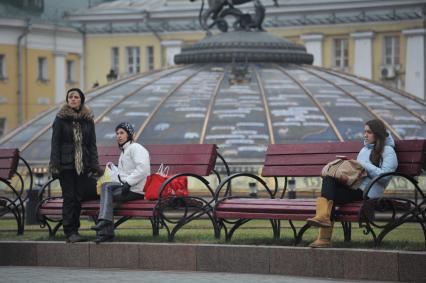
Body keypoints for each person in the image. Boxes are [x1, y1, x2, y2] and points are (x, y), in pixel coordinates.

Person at [306, 119, 398, 248]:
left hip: (368, 192)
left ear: (377, 134)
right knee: (329, 179)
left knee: (329, 195)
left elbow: (385, 177)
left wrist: (364, 165)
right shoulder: (364, 150)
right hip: (355, 188)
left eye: (369, 132)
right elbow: (358, 172)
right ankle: (323, 218)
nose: (365, 135)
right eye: (364, 131)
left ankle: (324, 236)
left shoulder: (388, 151)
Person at [49, 88, 101, 243]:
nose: (72, 99)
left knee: (78, 198)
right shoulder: (60, 119)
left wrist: (94, 165)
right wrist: (55, 165)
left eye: (76, 97)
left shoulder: (88, 119)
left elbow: (92, 144)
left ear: (81, 100)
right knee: (69, 198)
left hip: (83, 165)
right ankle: (69, 231)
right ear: (67, 100)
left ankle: (75, 231)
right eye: (70, 97)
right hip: (66, 165)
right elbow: (55, 143)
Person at [91, 122, 150, 243]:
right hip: (126, 186)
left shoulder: (136, 148)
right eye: (117, 133)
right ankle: (105, 223)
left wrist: (128, 183)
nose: (118, 136)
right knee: (105, 187)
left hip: (136, 190)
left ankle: (105, 232)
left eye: (122, 133)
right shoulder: (124, 150)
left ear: (129, 134)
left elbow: (143, 168)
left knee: (106, 195)